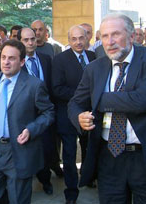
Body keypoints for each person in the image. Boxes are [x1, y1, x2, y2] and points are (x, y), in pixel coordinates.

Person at [68, 13, 146, 203]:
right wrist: (79, 116)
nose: (109, 42)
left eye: (115, 34)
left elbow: (143, 100)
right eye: (104, 36)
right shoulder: (94, 68)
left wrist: (99, 101)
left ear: (132, 36)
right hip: (109, 157)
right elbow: (75, 103)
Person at [0, 39, 55, 204]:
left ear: (22, 61)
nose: (6, 62)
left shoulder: (34, 85)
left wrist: (31, 130)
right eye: (3, 57)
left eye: (11, 58)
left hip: (19, 150)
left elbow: (49, 112)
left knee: (19, 198)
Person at [52, 25, 96, 204]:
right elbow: (56, 89)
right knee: (69, 157)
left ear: (87, 38)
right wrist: (82, 96)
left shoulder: (93, 57)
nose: (78, 42)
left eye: (81, 38)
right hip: (68, 116)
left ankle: (88, 177)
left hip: (91, 115)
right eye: (74, 39)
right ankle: (71, 192)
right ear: (69, 41)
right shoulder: (60, 60)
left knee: (89, 150)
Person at [18, 27, 59, 195]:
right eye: (26, 40)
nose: (30, 43)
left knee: (47, 148)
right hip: (26, 115)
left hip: (45, 113)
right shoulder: (17, 63)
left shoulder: (46, 59)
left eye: (32, 39)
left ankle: (46, 180)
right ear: (20, 42)